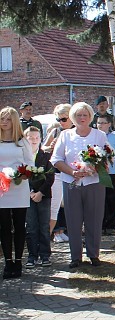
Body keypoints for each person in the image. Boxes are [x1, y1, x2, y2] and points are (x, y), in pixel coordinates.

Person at [50, 102, 109, 268]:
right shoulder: (65, 135)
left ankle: (93, 254)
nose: (82, 118)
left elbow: (107, 157)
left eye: (85, 115)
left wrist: (96, 166)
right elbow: (56, 159)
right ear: (72, 118)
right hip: (71, 182)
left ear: (90, 117)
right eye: (78, 115)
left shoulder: (99, 135)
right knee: (73, 220)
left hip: (94, 182)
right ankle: (75, 256)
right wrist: (72, 172)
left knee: (94, 218)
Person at [0, 107, 34, 279]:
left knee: (20, 226)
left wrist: (21, 173)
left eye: (7, 119)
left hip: (19, 187)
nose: (4, 122)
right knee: (4, 227)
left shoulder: (22, 141)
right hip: (2, 189)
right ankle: (8, 262)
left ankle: (19, 261)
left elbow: (30, 163)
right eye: (2, 119)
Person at [24, 126, 55, 269]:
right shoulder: (22, 157)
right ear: (25, 139)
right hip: (27, 196)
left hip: (44, 196)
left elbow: (50, 177)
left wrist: (40, 193)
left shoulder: (46, 156)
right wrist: (30, 192)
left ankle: (45, 255)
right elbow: (21, 176)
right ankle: (32, 256)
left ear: (41, 139)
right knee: (31, 227)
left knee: (43, 226)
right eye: (31, 138)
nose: (34, 140)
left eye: (37, 138)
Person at [43, 104, 74, 242]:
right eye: (58, 119)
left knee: (71, 205)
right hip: (57, 173)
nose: (61, 122)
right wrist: (50, 147)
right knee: (55, 206)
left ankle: (69, 232)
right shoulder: (56, 131)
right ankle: (48, 237)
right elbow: (43, 147)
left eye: (64, 119)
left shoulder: (78, 131)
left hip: (74, 172)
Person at [97, 114, 115, 235]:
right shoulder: (95, 136)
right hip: (98, 172)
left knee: (111, 198)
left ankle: (110, 225)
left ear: (109, 124)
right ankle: (100, 224)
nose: (100, 125)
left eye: (103, 123)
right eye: (98, 123)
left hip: (112, 172)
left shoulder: (114, 137)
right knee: (100, 199)